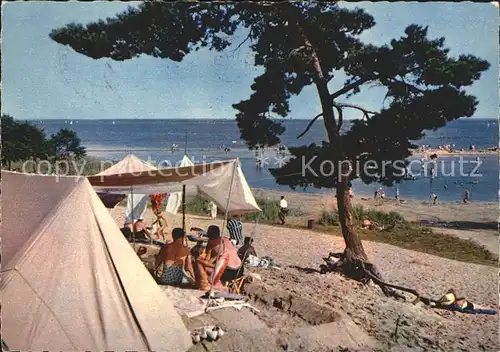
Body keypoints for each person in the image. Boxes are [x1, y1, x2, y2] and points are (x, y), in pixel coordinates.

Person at [199, 225, 243, 290]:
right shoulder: (226, 239)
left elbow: (207, 260)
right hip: (240, 270)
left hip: (229, 272)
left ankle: (220, 285)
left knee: (203, 267)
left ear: (209, 234)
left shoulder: (211, 243)